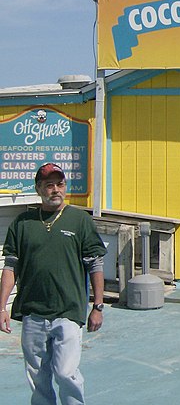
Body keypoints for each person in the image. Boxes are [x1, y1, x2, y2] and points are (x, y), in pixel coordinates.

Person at [0, 162, 107, 404]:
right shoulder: (22, 223)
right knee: (37, 377)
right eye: (49, 185)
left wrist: (97, 307)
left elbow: (95, 265)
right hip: (33, 313)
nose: (56, 190)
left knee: (66, 373)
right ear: (38, 189)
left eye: (60, 184)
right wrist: (2, 307)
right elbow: (10, 266)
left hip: (68, 311)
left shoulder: (79, 220)